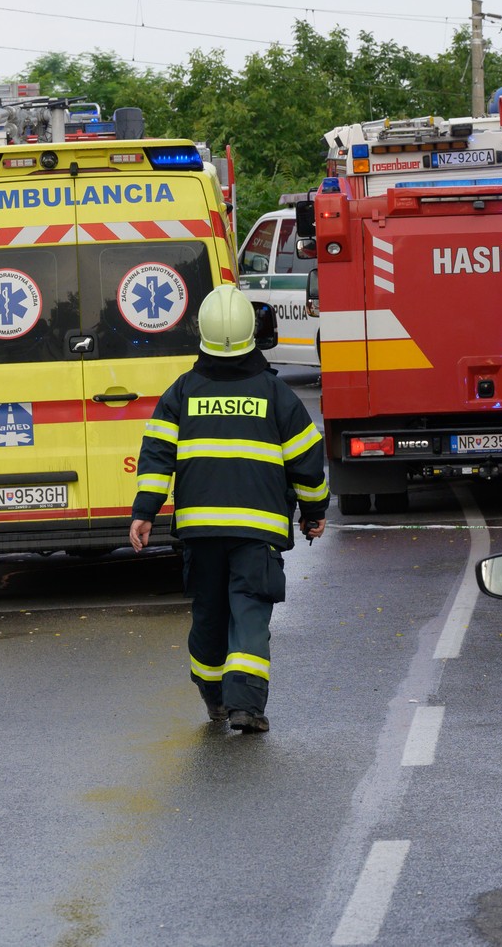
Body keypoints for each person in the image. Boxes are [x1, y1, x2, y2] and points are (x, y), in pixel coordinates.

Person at [129, 284, 328, 733]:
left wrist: (145, 511)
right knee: (250, 612)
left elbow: (156, 455)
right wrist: (314, 512)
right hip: (257, 533)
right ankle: (246, 707)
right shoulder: (276, 395)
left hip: (201, 533)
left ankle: (214, 697)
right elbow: (307, 462)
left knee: (209, 614)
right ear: (250, 334)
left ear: (202, 332)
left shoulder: (181, 392)